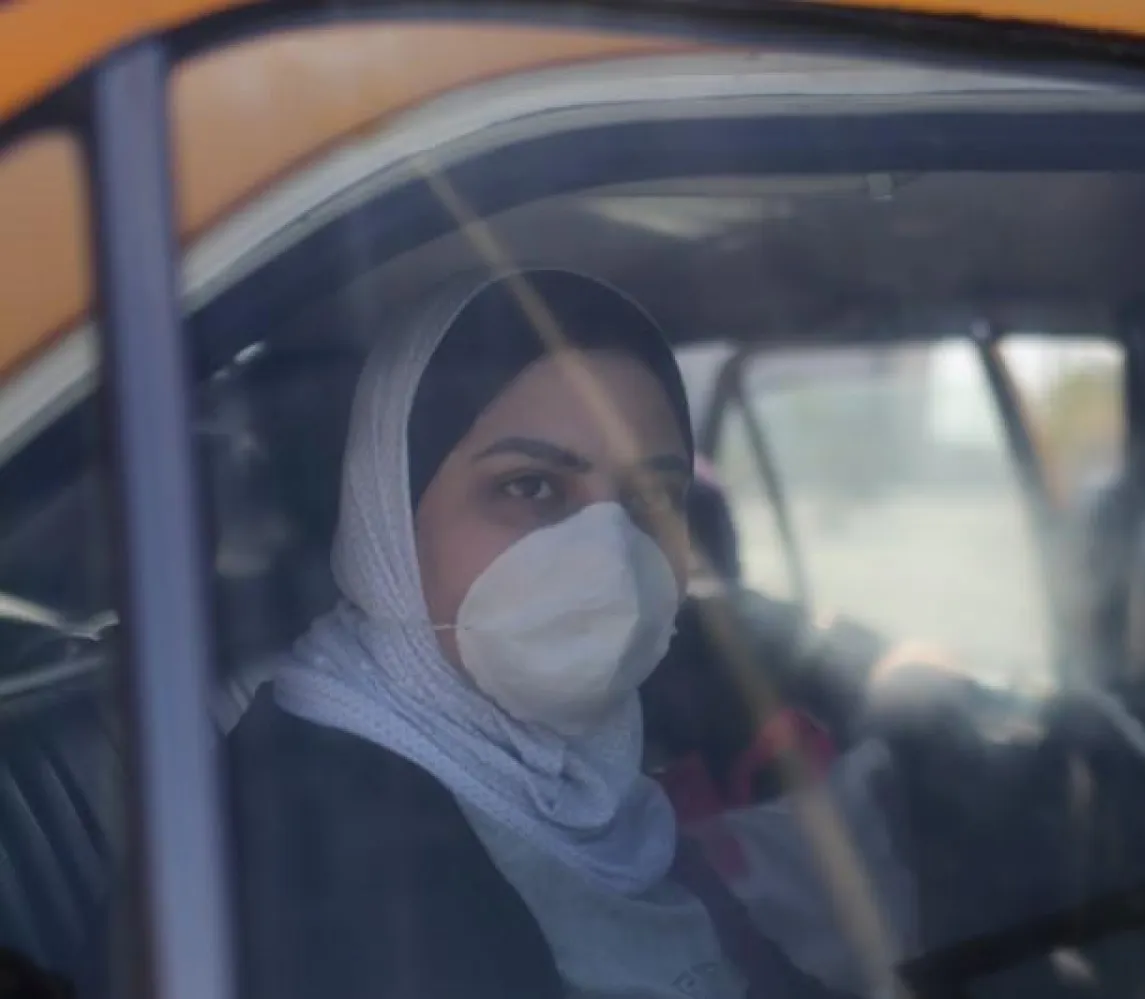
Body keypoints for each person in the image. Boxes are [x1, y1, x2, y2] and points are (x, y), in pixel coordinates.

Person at [226, 270, 871, 999]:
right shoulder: (292, 849)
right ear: (387, 515)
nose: (609, 554)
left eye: (652, 497)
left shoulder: (601, 795)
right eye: (530, 486)